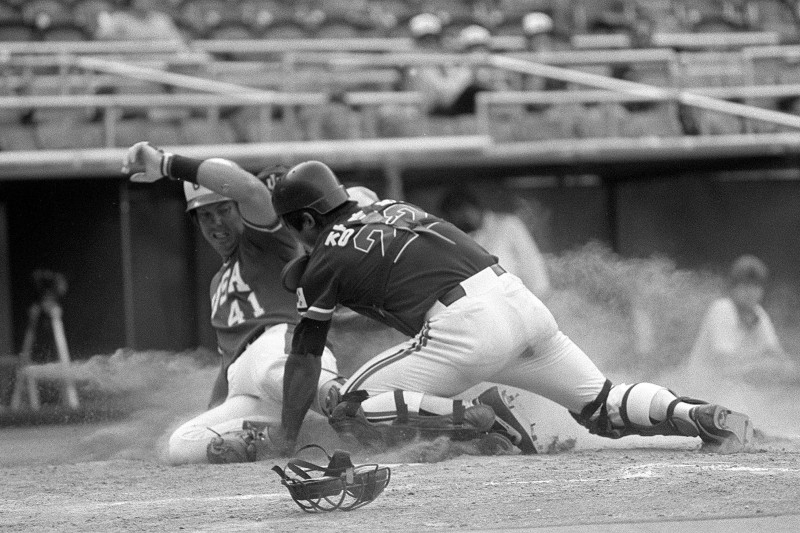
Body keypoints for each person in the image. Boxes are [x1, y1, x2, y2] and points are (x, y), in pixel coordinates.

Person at [268, 160, 754, 456]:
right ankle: (701, 415)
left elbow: (305, 358)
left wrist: (287, 438)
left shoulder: (323, 260)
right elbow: (383, 277)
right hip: (518, 302)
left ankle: (479, 419)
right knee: (602, 405)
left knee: (349, 409)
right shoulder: (393, 207)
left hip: (464, 326)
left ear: (307, 219)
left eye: (295, 228)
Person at [121, 142, 340, 464]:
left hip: (284, 350)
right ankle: (295, 439)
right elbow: (227, 365)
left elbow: (251, 190)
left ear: (240, 210)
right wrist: (216, 409)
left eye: (224, 210)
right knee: (181, 444)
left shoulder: (270, 242)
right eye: (205, 215)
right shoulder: (217, 283)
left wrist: (168, 164)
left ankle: (357, 406)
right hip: (245, 385)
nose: (215, 223)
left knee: (271, 372)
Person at [687, 255, 798, 382]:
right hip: (701, 388)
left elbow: (776, 354)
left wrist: (787, 368)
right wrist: (763, 367)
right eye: (745, 285)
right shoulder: (723, 309)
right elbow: (724, 364)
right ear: (733, 287)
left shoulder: (758, 314)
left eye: (756, 286)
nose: (751, 292)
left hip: (731, 388)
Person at [438, 186, 551, 298]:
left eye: (458, 216)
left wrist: (539, 297)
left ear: (469, 208)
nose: (457, 222)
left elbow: (531, 263)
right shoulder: (462, 238)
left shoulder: (508, 224)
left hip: (518, 300)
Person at [94, 0, 185, 44]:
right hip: (127, 70)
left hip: (161, 70)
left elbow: (178, 42)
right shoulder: (119, 19)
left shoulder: (162, 19)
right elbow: (101, 38)